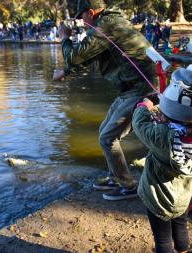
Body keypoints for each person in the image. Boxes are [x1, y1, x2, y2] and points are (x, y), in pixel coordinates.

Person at [53, 0, 157, 201]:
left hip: (142, 89)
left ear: (90, 13)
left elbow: (74, 57)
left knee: (107, 138)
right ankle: (114, 176)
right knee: (104, 131)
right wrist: (65, 72)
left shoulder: (105, 25)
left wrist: (65, 38)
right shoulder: (110, 22)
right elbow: (88, 57)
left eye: (81, 17)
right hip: (132, 88)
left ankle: (128, 186)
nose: (81, 22)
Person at [132, 67, 192, 253]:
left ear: (165, 113)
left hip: (158, 200)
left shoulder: (161, 136)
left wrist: (144, 105)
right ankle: (183, 250)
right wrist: (166, 115)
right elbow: (179, 127)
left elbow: (140, 124)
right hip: (183, 196)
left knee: (162, 238)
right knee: (180, 226)